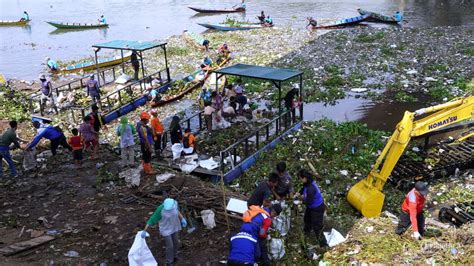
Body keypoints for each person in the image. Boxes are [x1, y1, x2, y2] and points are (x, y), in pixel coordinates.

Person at [142, 198, 187, 266]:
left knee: (176, 242)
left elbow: (177, 211)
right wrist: (144, 230)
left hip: (174, 227)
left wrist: (182, 219)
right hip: (165, 229)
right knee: (170, 246)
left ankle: (175, 255)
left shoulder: (174, 204)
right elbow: (152, 219)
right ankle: (169, 262)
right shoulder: (160, 209)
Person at [298, 169, 327, 247]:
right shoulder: (308, 182)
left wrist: (301, 201)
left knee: (317, 227)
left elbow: (308, 201)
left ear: (304, 178)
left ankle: (323, 244)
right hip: (311, 207)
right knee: (307, 219)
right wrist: (299, 193)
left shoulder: (311, 188)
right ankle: (306, 233)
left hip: (317, 208)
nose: (300, 180)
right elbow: (303, 188)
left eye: (300, 178)